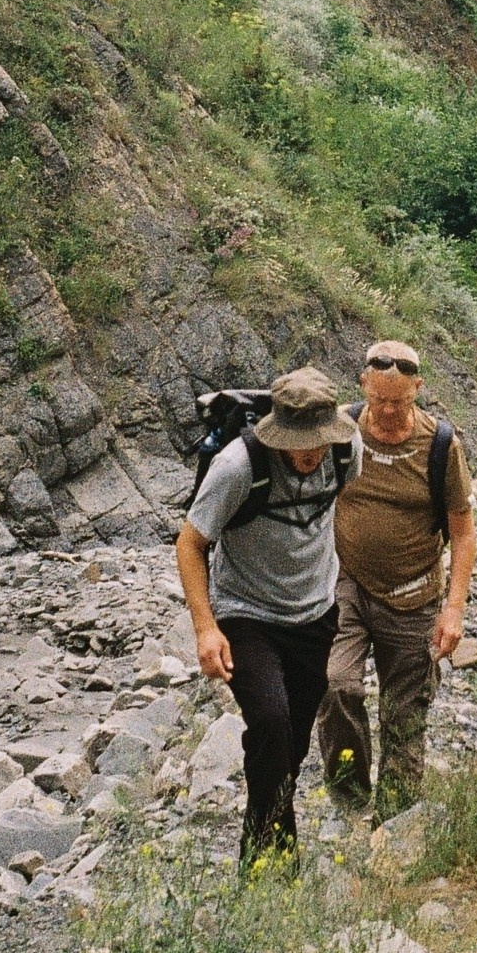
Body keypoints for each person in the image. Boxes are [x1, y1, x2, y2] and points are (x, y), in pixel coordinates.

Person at [176, 363, 359, 866]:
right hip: (246, 613)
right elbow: (190, 545)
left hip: (316, 612)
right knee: (272, 723)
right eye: (297, 443)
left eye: (317, 441)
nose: (308, 454)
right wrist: (205, 628)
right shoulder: (237, 468)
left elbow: (334, 507)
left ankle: (271, 831)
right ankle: (266, 859)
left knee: (293, 745)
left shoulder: (347, 451)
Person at [319, 336, 477, 824]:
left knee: (404, 714)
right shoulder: (339, 430)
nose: (387, 412)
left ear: (419, 390)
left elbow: (463, 533)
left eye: (400, 402)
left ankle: (397, 819)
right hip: (346, 585)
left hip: (414, 596)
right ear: (363, 384)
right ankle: (349, 798)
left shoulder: (441, 446)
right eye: (379, 400)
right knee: (336, 684)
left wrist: (454, 609)